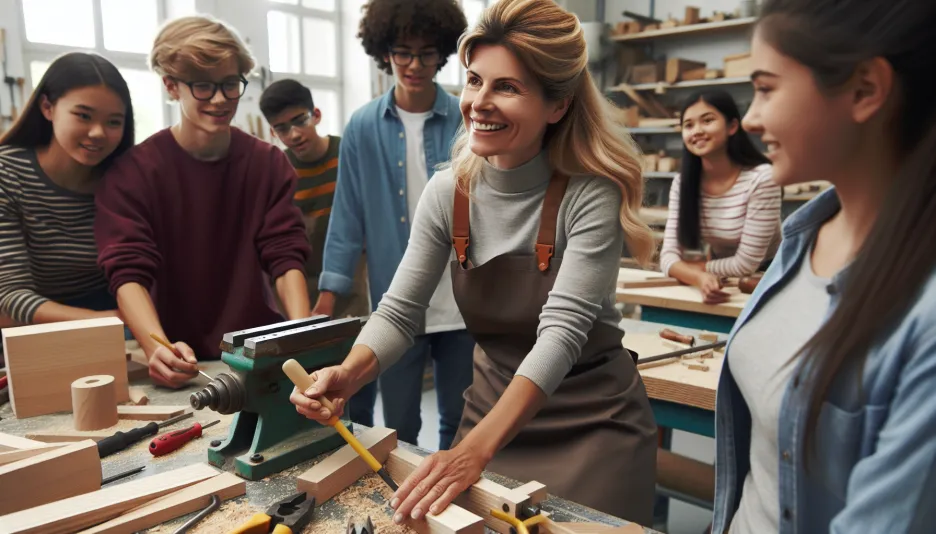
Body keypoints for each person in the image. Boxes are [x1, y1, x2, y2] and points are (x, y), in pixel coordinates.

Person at [290, 0, 658, 524]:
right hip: (492, 407)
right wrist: (348, 374)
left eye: (507, 87)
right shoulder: (450, 192)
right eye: (474, 81)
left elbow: (560, 334)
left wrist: (472, 453)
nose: (479, 102)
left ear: (557, 105)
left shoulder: (589, 195)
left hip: (595, 421)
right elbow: (398, 312)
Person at [713, 0, 936, 532]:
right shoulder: (803, 239)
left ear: (864, 91)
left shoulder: (922, 311)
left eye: (767, 88)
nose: (750, 117)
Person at [95, 15, 312, 389]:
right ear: (170, 86)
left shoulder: (267, 163)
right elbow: (128, 272)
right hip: (177, 360)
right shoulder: (133, 173)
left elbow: (284, 254)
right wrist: (155, 347)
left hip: (256, 358)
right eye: (202, 87)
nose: (220, 99)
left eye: (230, 84)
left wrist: (304, 334)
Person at [314, 0, 473, 451]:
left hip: (464, 300)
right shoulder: (363, 126)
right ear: (385, 51)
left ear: (442, 52)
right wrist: (325, 305)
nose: (415, 65)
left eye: (426, 53)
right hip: (397, 305)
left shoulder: (468, 118)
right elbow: (347, 220)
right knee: (399, 427)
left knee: (460, 425)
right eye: (403, 52)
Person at [0, 52, 133, 329]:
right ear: (47, 107)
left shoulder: (126, 178)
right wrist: (110, 320)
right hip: (30, 324)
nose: (98, 132)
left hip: (113, 315)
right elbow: (11, 295)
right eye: (83, 115)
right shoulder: (7, 173)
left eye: (113, 122)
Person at [258, 79, 370, 320]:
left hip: (349, 291)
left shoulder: (347, 155)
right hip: (294, 294)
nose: (294, 134)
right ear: (272, 132)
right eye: (282, 129)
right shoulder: (276, 170)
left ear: (316, 115)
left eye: (300, 121)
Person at [659, 89, 780, 304]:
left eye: (707, 121)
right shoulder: (683, 183)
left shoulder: (762, 179)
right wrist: (698, 276)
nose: (696, 131)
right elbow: (668, 257)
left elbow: (746, 264)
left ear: (732, 126)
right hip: (719, 277)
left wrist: (690, 269)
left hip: (768, 277)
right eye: (688, 125)